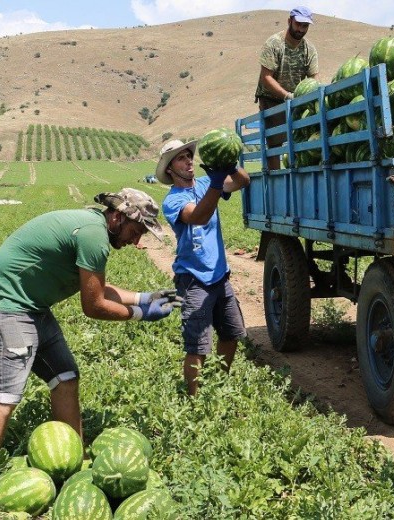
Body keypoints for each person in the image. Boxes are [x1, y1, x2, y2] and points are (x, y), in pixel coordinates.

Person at [0, 187, 180, 501]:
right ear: (118, 217)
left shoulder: (93, 227)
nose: (136, 241)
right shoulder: (94, 235)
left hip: (31, 307)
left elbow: (100, 288)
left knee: (66, 376)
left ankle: (74, 467)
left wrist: (145, 298)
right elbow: (93, 305)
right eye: (136, 231)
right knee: (5, 395)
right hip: (5, 306)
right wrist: (138, 314)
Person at [156, 139, 250, 395]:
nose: (188, 161)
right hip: (193, 280)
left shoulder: (207, 184)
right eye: (180, 158)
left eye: (189, 156)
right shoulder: (172, 200)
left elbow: (243, 181)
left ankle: (217, 385)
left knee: (231, 334)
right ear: (169, 170)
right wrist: (218, 184)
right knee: (197, 345)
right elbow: (198, 216)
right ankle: (195, 400)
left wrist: (231, 166)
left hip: (220, 276)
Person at [254, 6, 319, 171]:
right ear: (290, 21)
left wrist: (303, 96)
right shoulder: (274, 44)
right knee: (275, 141)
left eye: (305, 26)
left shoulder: (309, 49)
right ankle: (276, 177)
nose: (301, 29)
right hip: (271, 97)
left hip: (296, 98)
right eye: (298, 24)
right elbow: (266, 77)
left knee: (301, 135)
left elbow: (313, 79)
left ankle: (298, 171)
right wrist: (286, 96)